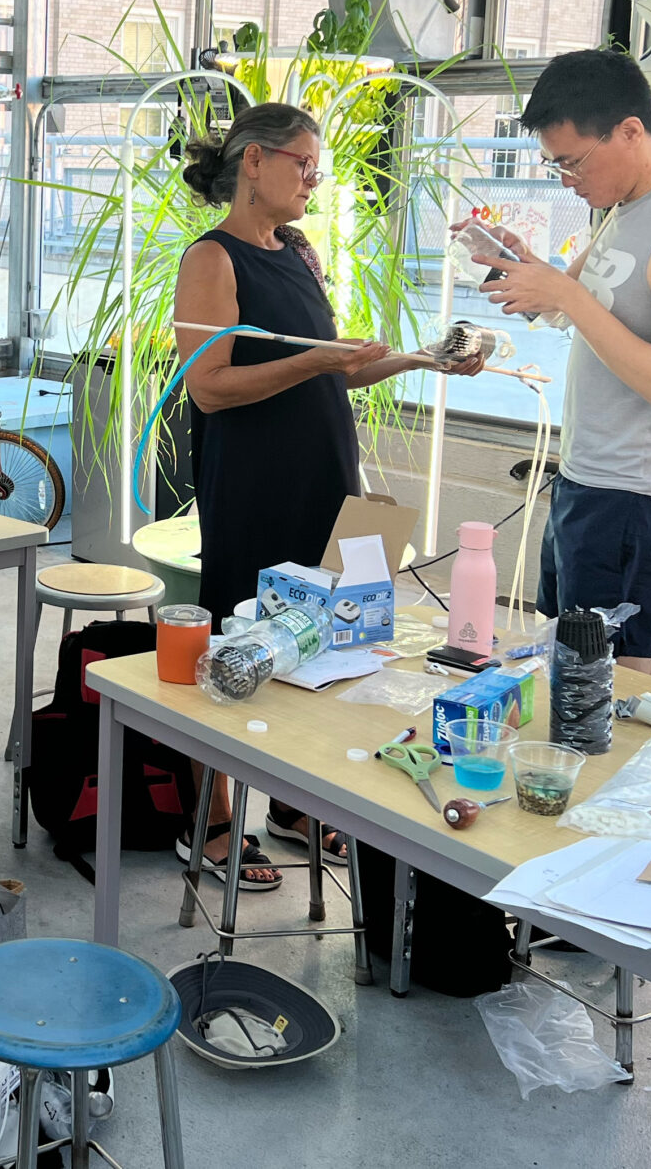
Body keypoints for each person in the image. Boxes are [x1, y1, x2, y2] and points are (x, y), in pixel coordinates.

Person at [174, 103, 480, 887]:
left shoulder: (297, 250)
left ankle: (292, 804)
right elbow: (208, 389)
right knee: (242, 635)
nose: (314, 179)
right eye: (303, 164)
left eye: (317, 168)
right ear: (255, 162)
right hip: (251, 480)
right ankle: (206, 824)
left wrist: (419, 360)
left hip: (320, 472)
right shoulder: (211, 260)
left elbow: (339, 365)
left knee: (325, 638)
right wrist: (314, 364)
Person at [469, 48, 651, 672]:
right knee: (565, 668)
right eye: (554, 163)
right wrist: (522, 265)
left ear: (630, 131)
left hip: (640, 499)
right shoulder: (623, 206)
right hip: (588, 482)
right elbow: (572, 308)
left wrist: (565, 293)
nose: (566, 178)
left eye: (572, 161)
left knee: (602, 686)